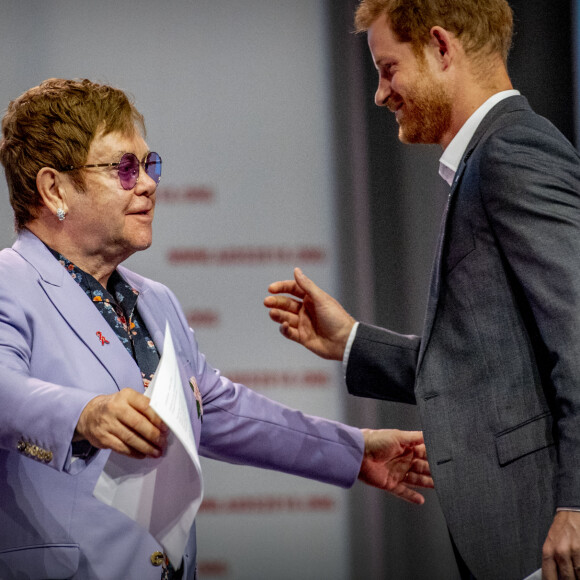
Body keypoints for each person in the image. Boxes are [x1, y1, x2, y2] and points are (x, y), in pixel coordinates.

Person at [0, 78, 433, 580]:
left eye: (148, 164)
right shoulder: (10, 283)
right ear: (54, 189)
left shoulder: (154, 302)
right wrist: (86, 413)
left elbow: (222, 409)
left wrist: (353, 451)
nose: (147, 183)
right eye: (123, 168)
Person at [264, 1, 580, 579]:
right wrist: (352, 341)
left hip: (546, 535)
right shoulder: (492, 157)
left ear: (440, 48)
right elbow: (490, 367)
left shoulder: (511, 153)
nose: (381, 95)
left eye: (388, 70)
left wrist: (577, 504)